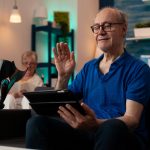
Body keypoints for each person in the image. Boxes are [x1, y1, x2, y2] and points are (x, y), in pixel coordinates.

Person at [25, 7, 150, 150]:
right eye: (96, 27)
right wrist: (63, 77)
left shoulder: (139, 69)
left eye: (107, 25)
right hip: (88, 133)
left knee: (112, 127)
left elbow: (132, 119)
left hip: (120, 135)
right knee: (36, 124)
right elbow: (60, 106)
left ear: (123, 29)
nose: (101, 31)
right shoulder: (88, 68)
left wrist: (96, 123)